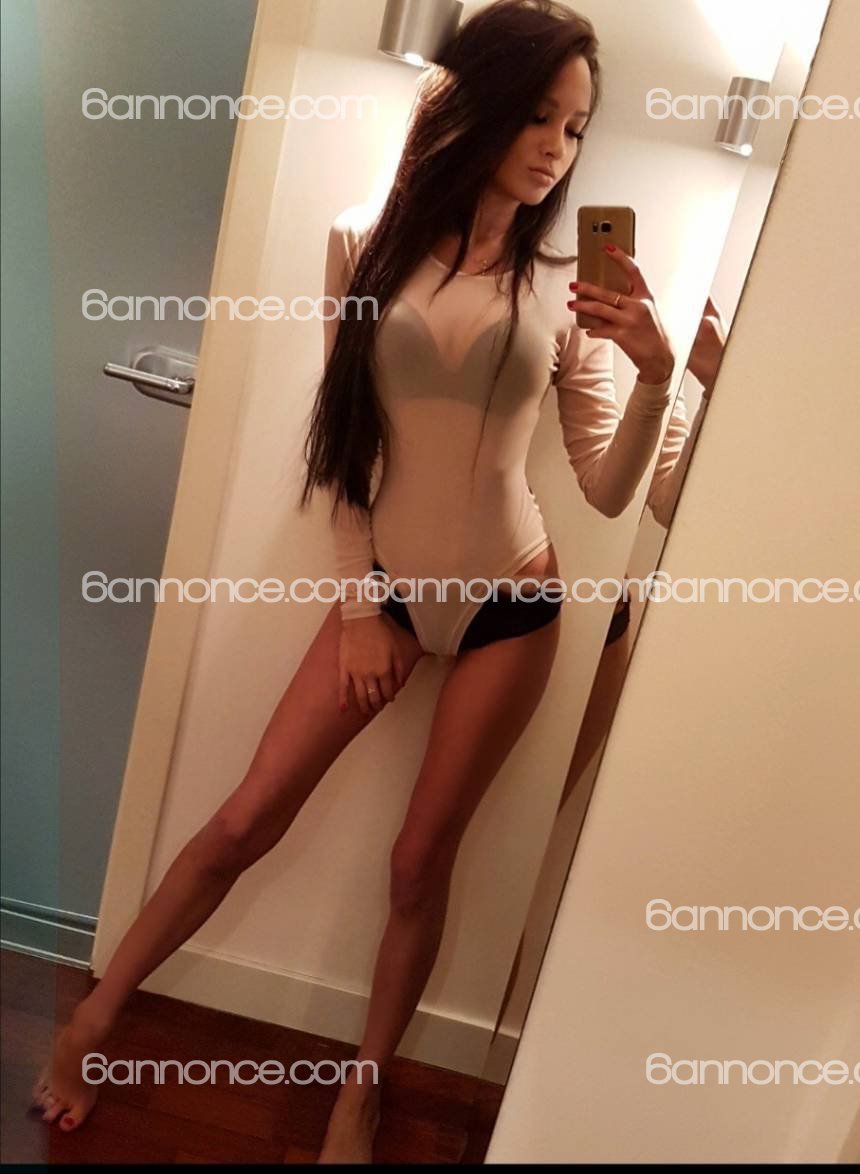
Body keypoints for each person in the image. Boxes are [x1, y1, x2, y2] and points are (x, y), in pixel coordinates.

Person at [30, 1, 676, 1162]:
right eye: (537, 115)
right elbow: (345, 445)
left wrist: (656, 377)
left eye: (576, 128)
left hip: (513, 604)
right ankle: (93, 1018)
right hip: (381, 594)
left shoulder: (571, 289)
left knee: (418, 862)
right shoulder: (362, 240)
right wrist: (363, 605)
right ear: (478, 103)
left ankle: (362, 1091)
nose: (556, 149)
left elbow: (608, 484)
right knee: (244, 816)